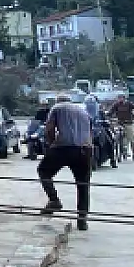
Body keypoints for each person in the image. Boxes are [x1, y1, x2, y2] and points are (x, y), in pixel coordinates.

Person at [37, 92, 94, 229]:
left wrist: (51, 145)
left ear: (58, 101)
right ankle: (82, 219)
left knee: (43, 171)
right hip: (84, 150)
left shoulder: (56, 108)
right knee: (83, 185)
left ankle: (54, 200)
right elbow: (90, 133)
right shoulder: (83, 111)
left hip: (63, 148)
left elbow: (49, 129)